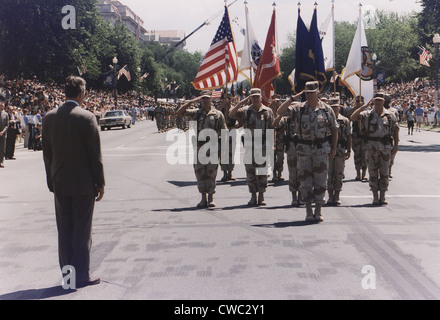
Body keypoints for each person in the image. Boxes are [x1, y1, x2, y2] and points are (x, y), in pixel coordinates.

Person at [42, 76, 105, 288]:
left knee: (65, 230)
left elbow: (47, 154)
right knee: (82, 230)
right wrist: (100, 182)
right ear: (82, 93)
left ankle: (68, 277)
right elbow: (94, 154)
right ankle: (82, 275)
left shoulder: (49, 117)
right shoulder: (87, 117)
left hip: (60, 180)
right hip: (83, 182)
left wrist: (51, 180)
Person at [291, 81, 338, 222]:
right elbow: (280, 111)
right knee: (305, 181)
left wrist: (334, 148)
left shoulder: (326, 109)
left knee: (321, 181)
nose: (309, 95)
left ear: (318, 92)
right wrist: (294, 98)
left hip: (321, 150)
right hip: (304, 151)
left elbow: (334, 129)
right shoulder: (299, 109)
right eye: (307, 92)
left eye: (312, 92)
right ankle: (308, 211)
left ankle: (318, 210)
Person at [176, 91, 227, 208]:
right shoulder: (197, 113)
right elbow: (179, 113)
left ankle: (211, 198)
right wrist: (190, 102)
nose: (205, 101)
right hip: (200, 148)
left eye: (207, 99)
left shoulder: (218, 114)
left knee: (212, 173)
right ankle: (203, 198)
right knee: (200, 173)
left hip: (213, 148)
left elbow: (224, 132)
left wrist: (223, 150)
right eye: (203, 99)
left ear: (211, 100)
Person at [351, 92, 399, 206]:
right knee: (372, 172)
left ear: (383, 101)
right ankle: (375, 197)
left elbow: (395, 130)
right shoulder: (367, 114)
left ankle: (382, 196)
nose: (378, 102)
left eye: (380, 100)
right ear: (373, 101)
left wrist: (396, 145)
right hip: (371, 147)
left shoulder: (390, 115)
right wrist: (363, 106)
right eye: (376, 100)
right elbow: (353, 117)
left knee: (384, 172)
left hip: (385, 148)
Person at [229, 88, 275, 206]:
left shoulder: (268, 111)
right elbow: (231, 114)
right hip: (250, 146)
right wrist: (240, 103)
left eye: (257, 96)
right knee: (250, 172)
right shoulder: (246, 111)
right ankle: (253, 196)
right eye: (253, 97)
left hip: (263, 146)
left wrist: (272, 145)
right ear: (250, 98)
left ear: (261, 97)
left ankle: (261, 195)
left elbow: (271, 128)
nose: (255, 99)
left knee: (262, 171)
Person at [273, 92, 304, 206]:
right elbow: (275, 124)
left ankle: (301, 196)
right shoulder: (287, 119)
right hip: (291, 148)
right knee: (292, 174)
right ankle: (294, 197)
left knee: (302, 173)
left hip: (302, 148)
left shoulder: (303, 118)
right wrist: (281, 114)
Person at [327, 97, 352, 206]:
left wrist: (349, 150)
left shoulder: (345, 120)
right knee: (329, 173)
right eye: (332, 108)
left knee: (339, 173)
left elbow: (349, 136)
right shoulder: (326, 120)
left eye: (336, 107)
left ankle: (337, 195)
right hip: (328, 149)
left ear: (339, 108)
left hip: (341, 149)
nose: (334, 109)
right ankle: (330, 195)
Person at [345, 96, 368, 181]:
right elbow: (348, 114)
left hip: (365, 136)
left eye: (360, 101)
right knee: (357, 155)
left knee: (365, 156)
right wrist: (357, 107)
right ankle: (358, 173)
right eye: (357, 101)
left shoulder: (366, 111)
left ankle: (364, 174)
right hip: (356, 136)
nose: (359, 102)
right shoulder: (353, 110)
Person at [0, 101, 9, 168]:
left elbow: (7, 125)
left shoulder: (6, 114)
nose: (1, 107)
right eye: (0, 106)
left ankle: (1, 162)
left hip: (3, 134)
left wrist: (3, 131)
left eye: (2, 106)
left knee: (2, 149)